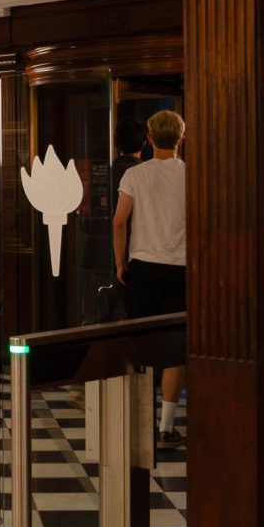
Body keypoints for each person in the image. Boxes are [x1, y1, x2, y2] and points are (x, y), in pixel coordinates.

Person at [112, 110, 186, 450]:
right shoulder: (190, 175)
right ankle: (166, 426)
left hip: (142, 264)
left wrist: (119, 262)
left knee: (139, 343)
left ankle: (139, 422)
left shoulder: (135, 175)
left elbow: (119, 221)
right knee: (175, 349)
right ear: (181, 138)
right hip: (180, 268)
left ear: (150, 138)